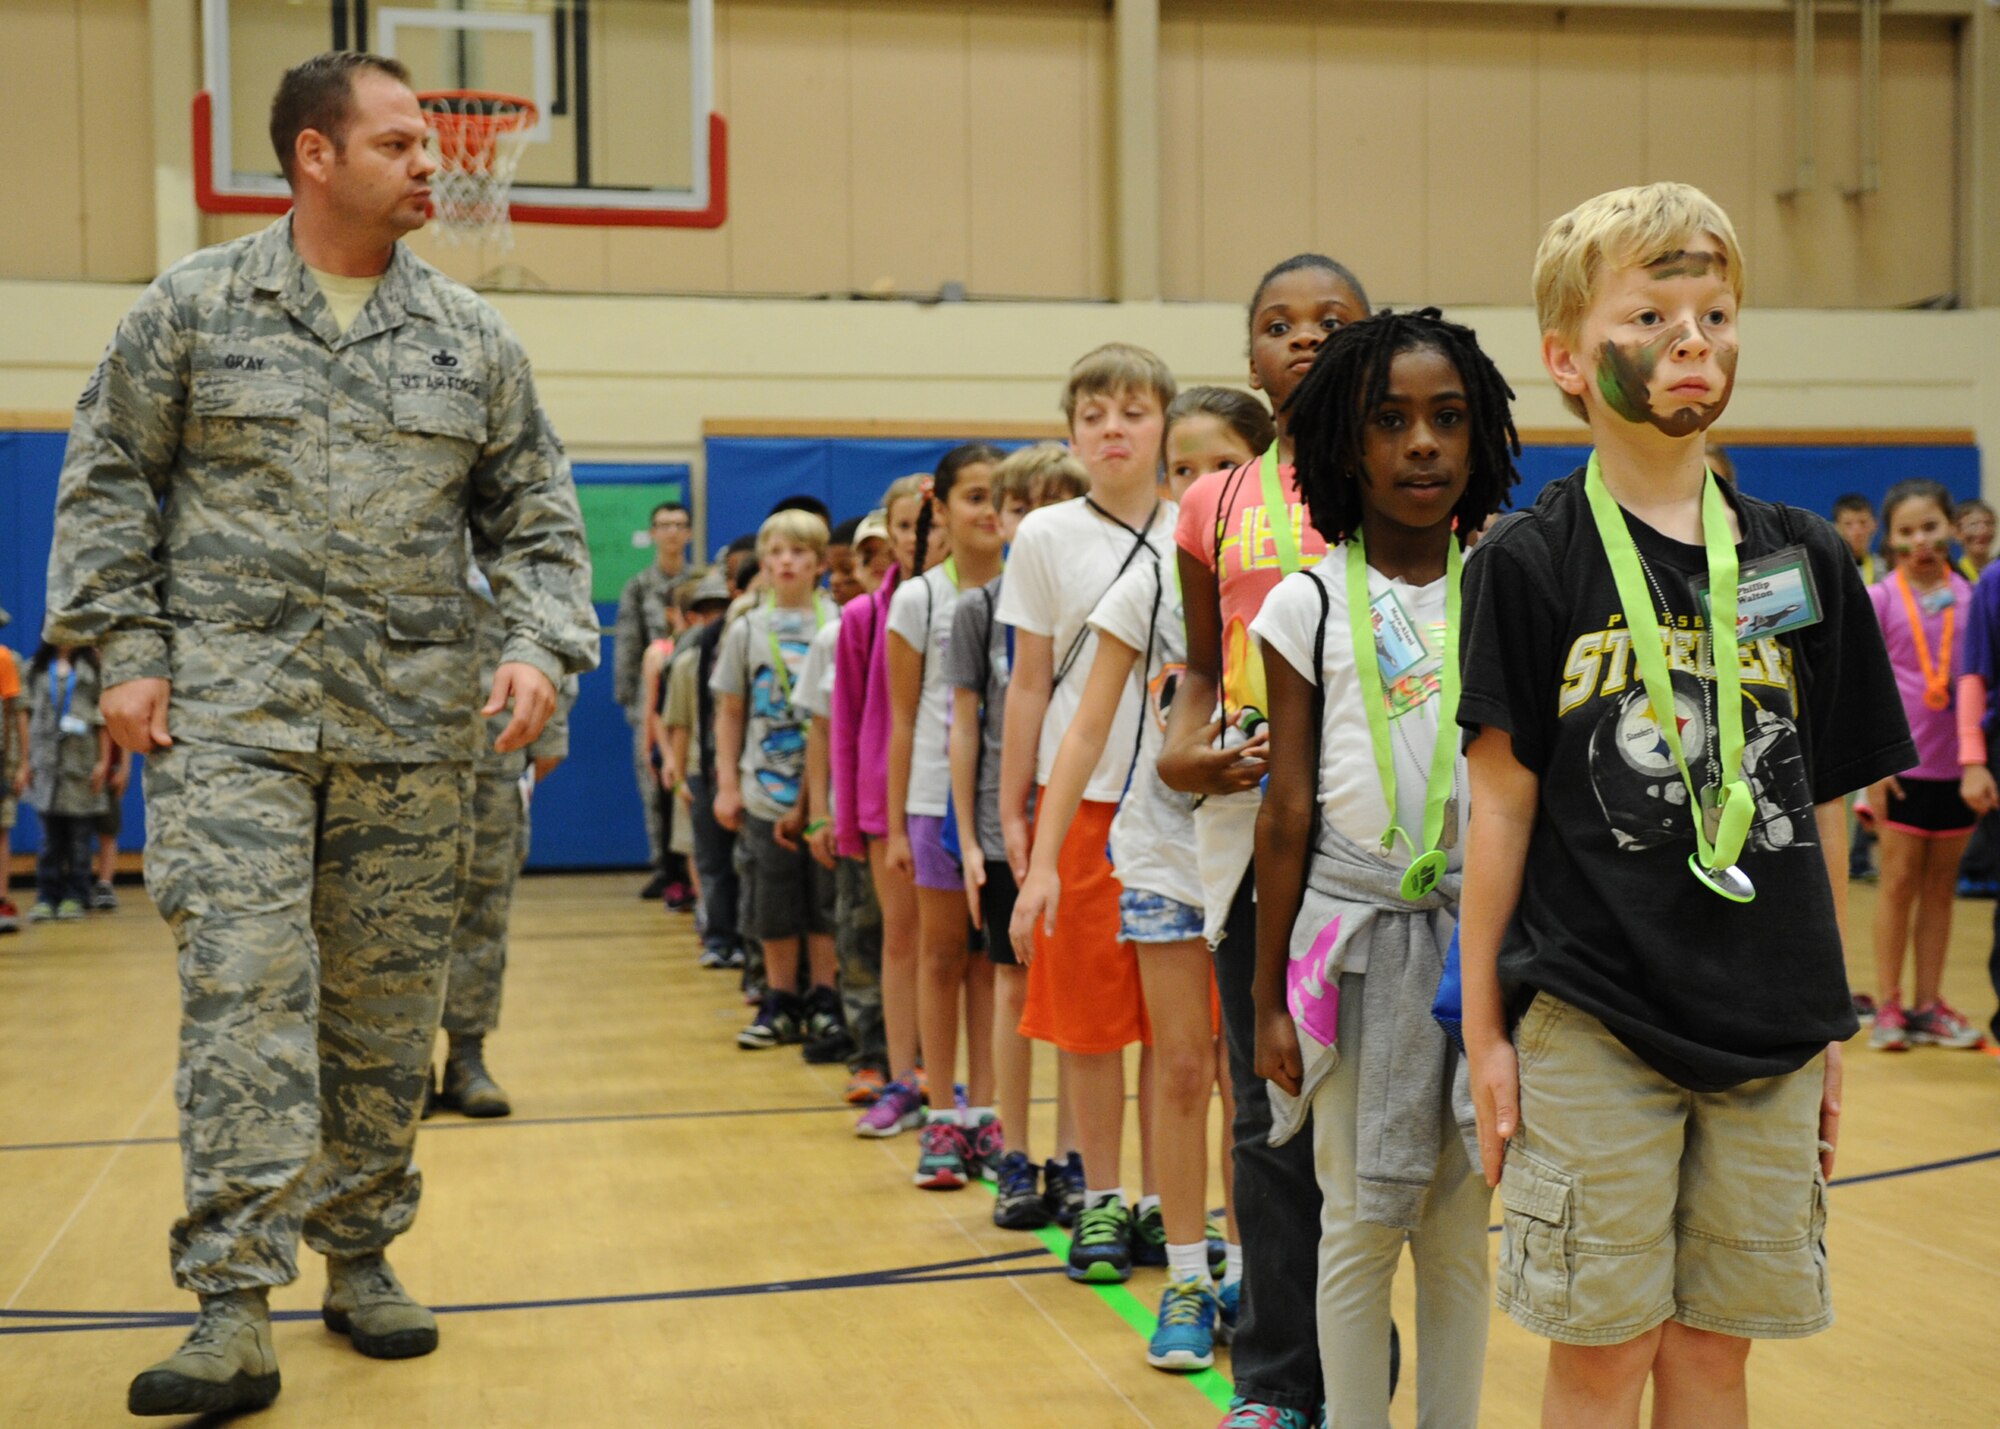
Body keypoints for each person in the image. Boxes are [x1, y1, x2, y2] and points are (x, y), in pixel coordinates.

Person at [43, 51, 597, 1417]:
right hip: (229, 723)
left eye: (431, 142)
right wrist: (123, 649)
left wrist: (536, 647)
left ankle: (362, 1254)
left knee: (382, 1010)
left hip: (414, 731)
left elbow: (536, 523)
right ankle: (232, 1300)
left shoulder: (475, 340)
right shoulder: (192, 311)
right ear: (313, 154)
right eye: (402, 142)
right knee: (242, 991)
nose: (431, 163)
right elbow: (108, 480)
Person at [1458, 182, 1912, 1429]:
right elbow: (1492, 813)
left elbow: (1815, 798)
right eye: (1649, 312)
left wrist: (1825, 1021)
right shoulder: (1528, 561)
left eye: (1713, 309)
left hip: (1768, 1025)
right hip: (1594, 1016)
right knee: (1603, 1353)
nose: (1691, 337)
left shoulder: (1794, 562)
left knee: (1715, 1354)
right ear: (1564, 357)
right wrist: (1485, 1033)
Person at [1253, 310, 1518, 1425]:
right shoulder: (1304, 600)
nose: (1421, 445)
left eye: (1446, 420)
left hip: (1482, 948)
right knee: (1356, 1222)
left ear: (1479, 441)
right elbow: (1286, 808)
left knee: (1459, 1231)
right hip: (1351, 949)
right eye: (1390, 420)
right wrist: (1265, 993)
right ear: (1341, 447)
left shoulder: (1508, 585)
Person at [1158, 251, 1371, 1429]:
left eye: (1331, 319)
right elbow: (1197, 672)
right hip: (1254, 835)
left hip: (1385, 834)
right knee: (1267, 1111)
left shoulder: (1415, 476)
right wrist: (1180, 753)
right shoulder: (1213, 503)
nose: (1303, 336)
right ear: (1248, 359)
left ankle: (1368, 1380)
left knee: (1381, 1116)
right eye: (1278, 323)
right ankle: (1282, 1381)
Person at [1014, 386, 1266, 1371]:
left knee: (1253, 1078)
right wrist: (1039, 860)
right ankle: (1190, 1278)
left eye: (1220, 467)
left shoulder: (1300, 574)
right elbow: (1083, 723)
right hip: (1163, 856)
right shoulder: (1152, 581)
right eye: (1183, 470)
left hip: (1263, 861)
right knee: (1178, 1069)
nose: (1198, 486)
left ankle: (1251, 1265)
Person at [998, 342, 1179, 1284]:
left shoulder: (1203, 526)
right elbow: (1029, 685)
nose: (1113, 429)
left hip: (1183, 810)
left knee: (1176, 1029)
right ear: (1072, 431)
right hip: (1083, 809)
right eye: (1094, 414)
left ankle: (1165, 1202)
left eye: (1133, 412)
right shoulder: (1044, 538)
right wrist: (1015, 809)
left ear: (1165, 426)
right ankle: (1102, 1196)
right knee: (1091, 1022)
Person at [946, 443, 1092, 1228]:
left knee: (1073, 998)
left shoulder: (1100, 603)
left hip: (1075, 827)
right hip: (1012, 834)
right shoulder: (979, 610)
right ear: (1003, 521)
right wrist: (972, 838)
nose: (1038, 522)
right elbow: (965, 731)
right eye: (1023, 507)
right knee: (1012, 987)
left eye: (1056, 505)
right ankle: (1015, 1152)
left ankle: (1072, 1157)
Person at [886, 445, 1008, 1188]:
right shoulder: (919, 599)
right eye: (973, 496)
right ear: (945, 508)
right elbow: (903, 719)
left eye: (1000, 496)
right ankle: (941, 1118)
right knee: (940, 957)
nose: (989, 510)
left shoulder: (1030, 590)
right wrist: (899, 824)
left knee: (994, 966)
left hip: (1004, 810)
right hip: (936, 802)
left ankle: (987, 1116)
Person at [426, 573, 579, 1119]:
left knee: (483, 911)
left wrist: (551, 730)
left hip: (496, 755)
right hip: (402, 751)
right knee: (397, 913)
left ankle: (468, 1057)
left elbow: (552, 631)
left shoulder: (511, 538)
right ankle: (407, 1065)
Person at [1860, 480, 1985, 1050]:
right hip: (1899, 769)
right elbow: (1864, 681)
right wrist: (1874, 764)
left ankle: (1928, 1004)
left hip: (1960, 767)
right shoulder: (1883, 598)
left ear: (1952, 529)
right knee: (1898, 884)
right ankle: (1888, 1005)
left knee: (1940, 889)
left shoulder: (1973, 598)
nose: (1921, 541)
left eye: (1930, 527)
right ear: (1891, 540)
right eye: (1907, 531)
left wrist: (1978, 759)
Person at [712, 509, 842, 1050]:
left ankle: (826, 998)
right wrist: (726, 783)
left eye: (799, 553)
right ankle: (780, 998)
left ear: (819, 565)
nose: (787, 561)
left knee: (825, 899)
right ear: (762, 563)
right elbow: (731, 710)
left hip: (828, 794)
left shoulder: (838, 622)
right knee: (773, 899)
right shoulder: (746, 628)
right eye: (777, 552)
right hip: (766, 790)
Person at [839, 476, 939, 1137]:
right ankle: (904, 1076)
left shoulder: (983, 601)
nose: (917, 536)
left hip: (958, 804)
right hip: (889, 805)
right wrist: (850, 819)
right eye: (905, 525)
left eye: (927, 522)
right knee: (902, 939)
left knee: (958, 951)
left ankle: (953, 1079)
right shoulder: (862, 618)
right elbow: (848, 724)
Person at [615, 501, 695, 901]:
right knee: (653, 786)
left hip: (690, 698)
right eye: (663, 525)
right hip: (651, 698)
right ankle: (663, 868)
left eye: (679, 525)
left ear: (689, 533)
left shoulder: (698, 581)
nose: (671, 532)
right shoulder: (638, 585)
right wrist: (631, 703)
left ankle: (689, 868)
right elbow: (628, 645)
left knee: (687, 782)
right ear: (653, 533)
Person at [684, 560, 756, 973]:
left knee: (746, 866)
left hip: (760, 772)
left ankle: (747, 944)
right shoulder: (708, 642)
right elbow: (707, 713)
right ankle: (720, 936)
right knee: (714, 859)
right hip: (710, 767)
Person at [19, 644, 114, 922]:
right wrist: (26, 763)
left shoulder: (92, 670)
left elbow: (102, 721)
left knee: (79, 840)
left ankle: (76, 895)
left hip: (81, 766)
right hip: (46, 767)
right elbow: (25, 715)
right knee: (49, 840)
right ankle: (47, 897)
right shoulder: (34, 668)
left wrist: (103, 762)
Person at [0, 612, 24, 934]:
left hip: (0, 761)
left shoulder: (5, 659)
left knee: (1, 829)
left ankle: (2, 898)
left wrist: (21, 763)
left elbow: (15, 717)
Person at [1833, 493, 1881, 585]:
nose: (1857, 532)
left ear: (1874, 525)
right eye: (1848, 524)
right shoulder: (1828, 569)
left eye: (1863, 523)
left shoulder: (1887, 568)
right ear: (1836, 528)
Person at [1956, 497, 1995, 582]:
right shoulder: (1954, 576)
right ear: (1957, 533)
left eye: (1988, 523)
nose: (1983, 531)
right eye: (1973, 524)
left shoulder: (1997, 571)